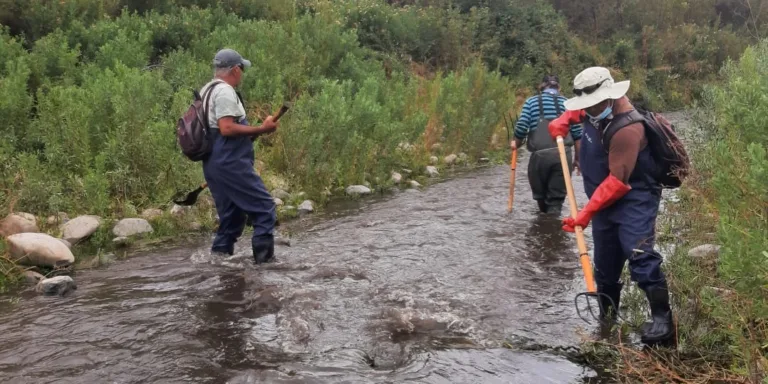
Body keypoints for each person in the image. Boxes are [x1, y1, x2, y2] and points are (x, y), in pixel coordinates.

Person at [547, 67, 674, 346]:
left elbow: (617, 182)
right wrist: (563, 119)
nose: (587, 110)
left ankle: (664, 322)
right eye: (584, 106)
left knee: (639, 254)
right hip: (602, 202)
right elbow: (578, 112)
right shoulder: (594, 108)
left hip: (633, 198)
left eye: (591, 105)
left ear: (609, 99)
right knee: (605, 265)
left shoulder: (627, 129)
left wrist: (584, 214)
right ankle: (607, 323)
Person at [199, 48, 279, 264]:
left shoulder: (207, 89)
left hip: (214, 163)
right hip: (230, 162)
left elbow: (219, 130)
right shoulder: (225, 91)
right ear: (235, 69)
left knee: (232, 219)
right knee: (265, 209)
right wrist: (262, 129)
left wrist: (251, 135)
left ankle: (218, 268)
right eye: (241, 69)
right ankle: (265, 269)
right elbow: (226, 128)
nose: (242, 73)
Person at [512, 75, 582, 214]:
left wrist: (516, 143)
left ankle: (544, 227)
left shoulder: (531, 102)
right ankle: (553, 228)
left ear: (541, 87)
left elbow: (521, 127)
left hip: (539, 157)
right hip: (563, 157)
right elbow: (578, 135)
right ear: (559, 88)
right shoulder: (568, 104)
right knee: (556, 201)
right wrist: (578, 159)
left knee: (541, 198)